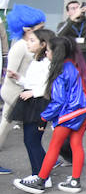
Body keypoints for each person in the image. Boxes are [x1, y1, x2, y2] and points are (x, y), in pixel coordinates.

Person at [12, 35, 86, 194]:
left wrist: (43, 117)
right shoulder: (73, 65)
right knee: (76, 145)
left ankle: (41, 180)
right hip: (84, 110)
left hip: (69, 113)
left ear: (57, 52)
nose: (46, 53)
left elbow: (59, 101)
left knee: (54, 146)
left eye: (48, 50)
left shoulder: (60, 70)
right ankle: (75, 181)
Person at [1, 3, 47, 171]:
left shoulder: (32, 44)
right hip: (16, 93)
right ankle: (42, 163)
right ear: (28, 29)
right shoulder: (21, 46)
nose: (43, 29)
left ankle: (42, 162)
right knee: (27, 132)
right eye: (40, 27)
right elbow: (10, 72)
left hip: (23, 90)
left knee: (25, 132)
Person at [15, 28, 56, 179]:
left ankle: (41, 176)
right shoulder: (36, 61)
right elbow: (33, 82)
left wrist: (33, 92)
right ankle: (39, 173)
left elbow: (48, 85)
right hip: (31, 102)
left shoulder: (47, 63)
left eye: (33, 41)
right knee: (30, 140)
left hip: (39, 103)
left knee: (32, 140)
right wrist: (19, 78)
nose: (28, 43)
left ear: (43, 44)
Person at [56, 0, 86, 66]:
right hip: (71, 54)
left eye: (78, 8)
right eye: (73, 8)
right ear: (68, 12)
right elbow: (59, 35)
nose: (77, 10)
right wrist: (74, 17)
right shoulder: (64, 24)